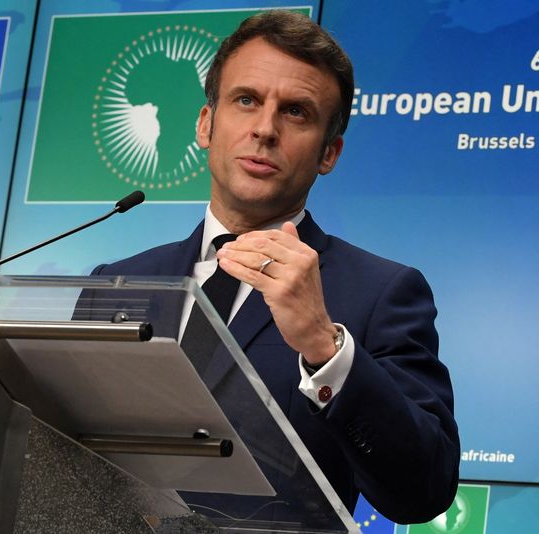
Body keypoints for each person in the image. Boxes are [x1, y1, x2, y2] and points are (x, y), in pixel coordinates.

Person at [84, 10, 459, 524]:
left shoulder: (381, 293)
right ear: (205, 124)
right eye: (246, 100)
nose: (264, 130)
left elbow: (424, 490)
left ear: (329, 153)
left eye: (297, 113)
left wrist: (325, 349)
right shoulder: (115, 285)